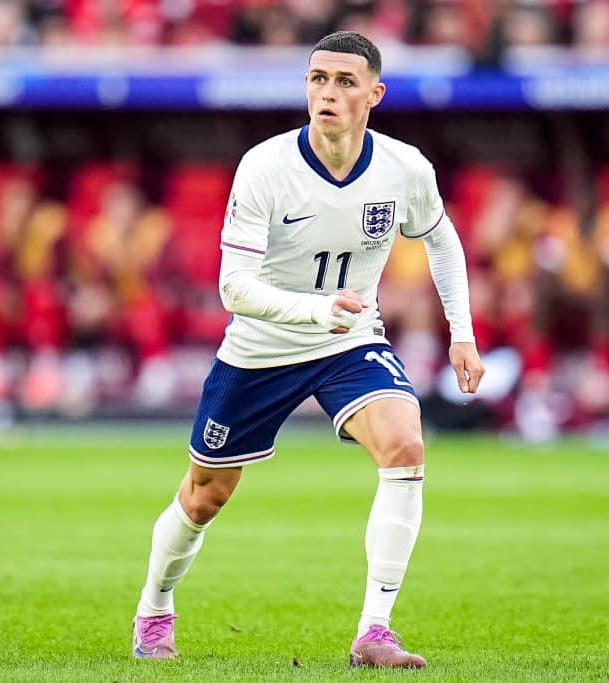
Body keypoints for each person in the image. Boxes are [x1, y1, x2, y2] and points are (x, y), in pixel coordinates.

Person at [130, 31, 484, 669]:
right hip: (261, 347)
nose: (328, 92)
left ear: (374, 94)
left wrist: (462, 331)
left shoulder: (405, 168)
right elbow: (233, 288)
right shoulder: (265, 167)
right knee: (205, 494)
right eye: (318, 78)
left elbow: (442, 240)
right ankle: (155, 607)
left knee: (405, 443)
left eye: (345, 82)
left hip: (350, 342)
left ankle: (374, 633)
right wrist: (315, 309)